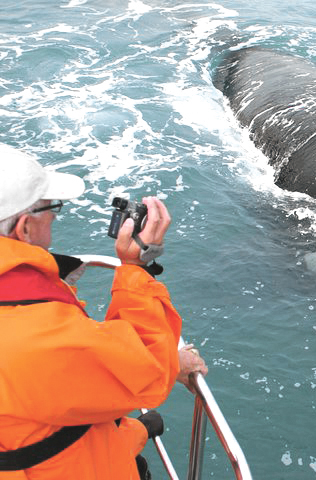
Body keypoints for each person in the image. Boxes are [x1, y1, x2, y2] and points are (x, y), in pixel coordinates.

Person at [0, 144, 207, 478]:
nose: (55, 215)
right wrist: (135, 266)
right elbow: (145, 373)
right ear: (24, 228)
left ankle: (132, 433)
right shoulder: (34, 333)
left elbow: (45, 395)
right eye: (53, 207)